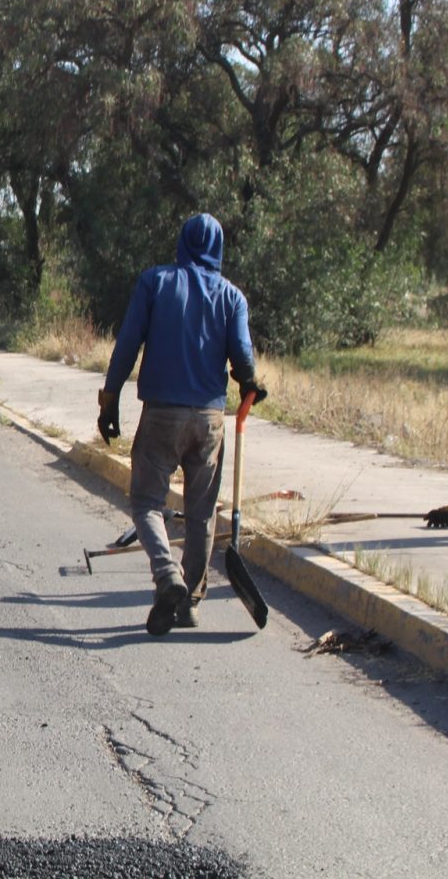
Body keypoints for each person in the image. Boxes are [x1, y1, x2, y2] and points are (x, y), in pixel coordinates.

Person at [97, 213, 265, 635]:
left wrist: (110, 398)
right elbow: (243, 357)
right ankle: (189, 601)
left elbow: (128, 344)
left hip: (162, 415)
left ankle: (167, 574)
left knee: (146, 503)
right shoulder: (232, 298)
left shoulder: (155, 283)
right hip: (209, 419)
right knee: (201, 512)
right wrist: (249, 383)